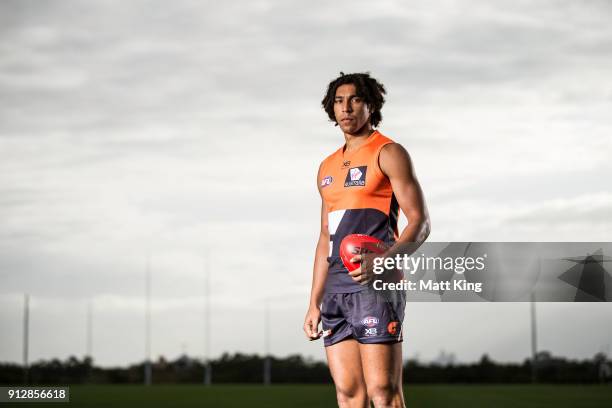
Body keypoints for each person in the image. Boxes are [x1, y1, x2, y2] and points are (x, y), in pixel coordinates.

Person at [303, 72, 430, 408]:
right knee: (348, 395)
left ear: (371, 105)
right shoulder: (326, 167)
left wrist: (385, 261)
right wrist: (314, 301)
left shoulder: (388, 152)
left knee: (383, 395)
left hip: (375, 288)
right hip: (335, 292)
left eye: (356, 99)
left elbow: (420, 222)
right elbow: (324, 239)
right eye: (339, 101)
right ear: (332, 109)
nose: (347, 108)